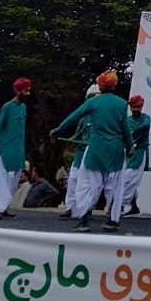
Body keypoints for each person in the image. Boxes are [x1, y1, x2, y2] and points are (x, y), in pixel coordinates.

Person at [51, 70, 134, 233]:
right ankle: (113, 220)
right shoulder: (121, 104)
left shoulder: (93, 102)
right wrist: (130, 146)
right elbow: (125, 129)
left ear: (101, 86)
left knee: (86, 185)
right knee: (116, 187)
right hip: (116, 151)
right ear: (114, 85)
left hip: (96, 149)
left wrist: (58, 130)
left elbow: (74, 117)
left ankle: (83, 219)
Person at [0, 76, 32, 219]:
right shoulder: (7, 107)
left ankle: (4, 206)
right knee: (0, 180)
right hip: (4, 151)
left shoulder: (23, 107)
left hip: (18, 151)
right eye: (26, 91)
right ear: (18, 91)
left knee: (13, 180)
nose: (29, 93)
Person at [61, 83, 101, 218]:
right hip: (80, 153)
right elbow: (77, 134)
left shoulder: (101, 117)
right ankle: (70, 207)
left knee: (91, 183)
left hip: (93, 153)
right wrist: (72, 141)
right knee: (73, 179)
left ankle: (87, 208)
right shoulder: (83, 118)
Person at [120, 95, 151, 217]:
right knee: (125, 178)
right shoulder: (127, 120)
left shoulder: (145, 118)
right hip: (127, 152)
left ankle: (120, 205)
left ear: (141, 106)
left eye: (138, 107)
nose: (135, 109)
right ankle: (133, 207)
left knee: (129, 178)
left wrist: (132, 132)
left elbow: (146, 125)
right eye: (133, 107)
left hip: (139, 151)